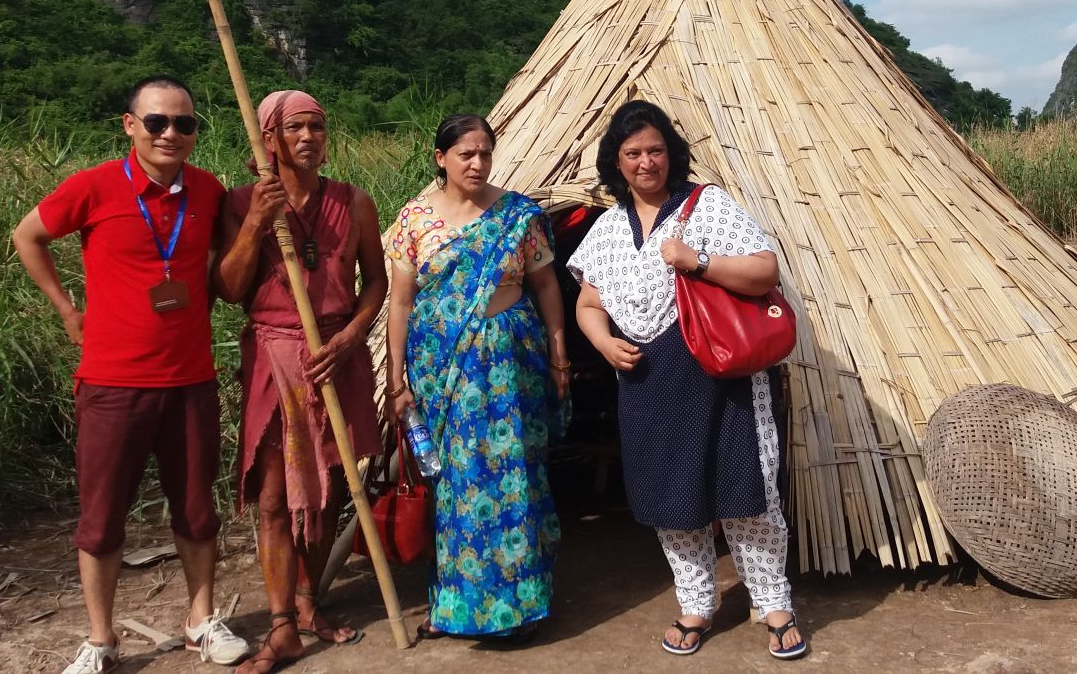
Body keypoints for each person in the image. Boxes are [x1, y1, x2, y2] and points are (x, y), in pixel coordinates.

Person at [12, 76, 249, 674]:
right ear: (130, 125)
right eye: (157, 123)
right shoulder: (93, 187)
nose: (171, 134)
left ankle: (201, 620)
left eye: (185, 124)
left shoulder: (208, 191)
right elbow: (28, 235)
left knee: (197, 511)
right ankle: (101, 639)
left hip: (191, 380)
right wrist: (68, 310)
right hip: (113, 383)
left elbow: (227, 274)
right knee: (102, 516)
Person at [565, 100, 808, 660]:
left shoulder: (707, 207)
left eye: (654, 150)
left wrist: (695, 260)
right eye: (632, 154)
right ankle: (694, 602)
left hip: (717, 375)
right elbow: (589, 303)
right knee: (669, 498)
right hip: (646, 382)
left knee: (745, 492)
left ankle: (774, 603)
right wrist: (602, 341)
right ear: (616, 163)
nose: (645, 162)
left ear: (670, 153)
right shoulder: (605, 229)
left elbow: (764, 271)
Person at [215, 90, 386, 673]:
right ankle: (281, 626)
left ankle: (310, 602)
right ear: (269, 139)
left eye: (317, 126)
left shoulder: (354, 202)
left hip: (338, 354)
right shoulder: (241, 202)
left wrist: (350, 337)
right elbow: (231, 287)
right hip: (277, 356)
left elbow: (375, 285)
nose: (308, 137)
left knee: (334, 487)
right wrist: (258, 222)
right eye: (295, 128)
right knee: (273, 497)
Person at [384, 114, 570, 642]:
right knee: (457, 487)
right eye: (466, 153)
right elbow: (401, 301)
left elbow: (547, 287)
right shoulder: (416, 218)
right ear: (440, 157)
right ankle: (457, 606)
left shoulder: (516, 215)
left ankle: (521, 605)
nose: (477, 162)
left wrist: (558, 354)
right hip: (443, 370)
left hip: (512, 365)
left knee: (517, 479)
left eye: (485, 152)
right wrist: (396, 379)